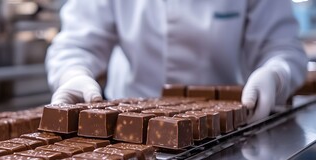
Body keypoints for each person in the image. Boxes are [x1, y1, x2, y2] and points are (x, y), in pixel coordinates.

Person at [46, 0, 307, 123]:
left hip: (223, 127)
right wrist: (72, 74)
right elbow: (76, 43)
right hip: (126, 123)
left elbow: (282, 46)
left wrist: (276, 73)